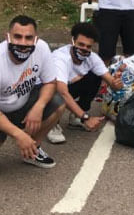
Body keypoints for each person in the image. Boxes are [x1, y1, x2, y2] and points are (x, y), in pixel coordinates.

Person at [0, 15, 65, 168]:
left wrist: (39, 106)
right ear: (7, 37)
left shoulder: (41, 48)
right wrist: (19, 134)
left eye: (28, 38)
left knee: (58, 102)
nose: (23, 43)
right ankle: (24, 140)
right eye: (17, 36)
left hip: (22, 104)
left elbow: (50, 82)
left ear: (35, 39)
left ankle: (32, 150)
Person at [46, 22, 124, 144]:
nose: (84, 49)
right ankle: (51, 123)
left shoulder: (92, 57)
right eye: (80, 44)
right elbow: (62, 93)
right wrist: (86, 117)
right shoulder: (60, 58)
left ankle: (76, 117)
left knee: (95, 76)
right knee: (55, 92)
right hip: (46, 92)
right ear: (72, 41)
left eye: (88, 46)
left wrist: (117, 82)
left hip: (67, 88)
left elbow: (110, 80)